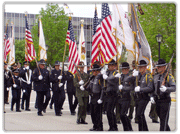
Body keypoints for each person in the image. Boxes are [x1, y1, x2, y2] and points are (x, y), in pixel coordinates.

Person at [151, 59, 176, 131]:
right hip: (157, 101)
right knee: (162, 120)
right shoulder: (155, 77)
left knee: (163, 121)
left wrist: (166, 89)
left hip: (165, 100)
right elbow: (153, 89)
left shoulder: (169, 77)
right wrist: (152, 96)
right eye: (157, 67)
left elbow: (174, 88)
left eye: (159, 67)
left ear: (164, 67)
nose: (157, 68)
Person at [131, 60, 154, 131]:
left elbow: (150, 88)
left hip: (144, 97)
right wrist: (132, 75)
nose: (140, 68)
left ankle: (142, 130)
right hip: (137, 98)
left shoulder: (148, 76)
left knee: (139, 114)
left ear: (145, 67)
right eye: (139, 67)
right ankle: (144, 130)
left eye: (142, 67)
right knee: (140, 115)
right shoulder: (137, 76)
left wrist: (140, 89)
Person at [101, 59, 120, 131]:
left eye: (112, 65)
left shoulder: (116, 73)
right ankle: (113, 126)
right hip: (107, 94)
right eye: (109, 65)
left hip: (113, 94)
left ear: (115, 66)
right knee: (109, 111)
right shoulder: (107, 72)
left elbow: (114, 82)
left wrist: (107, 78)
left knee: (110, 111)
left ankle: (113, 126)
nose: (110, 66)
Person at [84, 64, 104, 131]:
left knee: (98, 113)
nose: (93, 72)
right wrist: (84, 88)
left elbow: (103, 89)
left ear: (98, 71)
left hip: (97, 96)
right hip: (92, 96)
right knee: (92, 112)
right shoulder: (92, 78)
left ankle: (99, 127)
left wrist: (101, 98)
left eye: (94, 71)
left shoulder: (100, 78)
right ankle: (95, 125)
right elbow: (90, 87)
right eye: (93, 71)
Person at [117, 62, 133, 131]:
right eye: (123, 69)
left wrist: (123, 88)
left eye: (126, 69)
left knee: (123, 114)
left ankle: (127, 129)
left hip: (127, 98)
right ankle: (128, 128)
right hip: (120, 98)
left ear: (128, 69)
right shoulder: (120, 76)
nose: (124, 71)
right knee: (121, 115)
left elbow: (131, 88)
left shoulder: (130, 77)